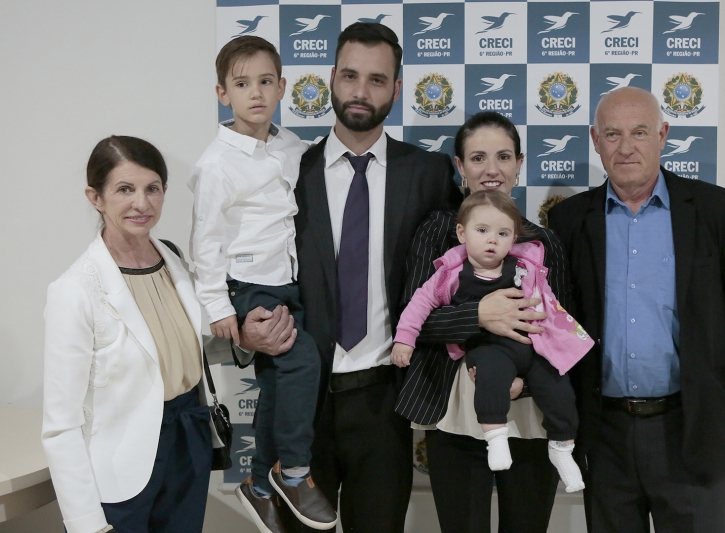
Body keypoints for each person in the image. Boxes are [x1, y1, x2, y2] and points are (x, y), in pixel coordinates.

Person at [235, 22, 461, 533]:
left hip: (385, 399)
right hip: (300, 399)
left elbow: (455, 275)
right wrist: (245, 332)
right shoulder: (287, 169)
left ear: (396, 89)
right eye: (351, 76)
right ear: (332, 77)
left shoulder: (428, 173)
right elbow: (243, 260)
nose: (361, 91)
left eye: (377, 80)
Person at [548, 86, 725, 533]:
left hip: (690, 427)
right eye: (612, 134)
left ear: (663, 135)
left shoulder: (716, 209)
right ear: (595, 140)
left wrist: (703, 346)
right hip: (604, 432)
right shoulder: (569, 220)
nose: (626, 147)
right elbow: (559, 317)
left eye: (639, 132)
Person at [394, 111, 572, 533]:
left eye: (503, 157)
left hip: (529, 413)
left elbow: (561, 331)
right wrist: (479, 315)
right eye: (478, 158)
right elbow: (415, 321)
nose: (491, 170)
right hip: (453, 410)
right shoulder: (438, 231)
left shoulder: (543, 242)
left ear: (519, 164)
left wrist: (524, 384)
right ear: (460, 166)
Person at [187, 36, 336, 532]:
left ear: (282, 87)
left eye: (266, 81)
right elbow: (205, 240)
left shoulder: (291, 146)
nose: (255, 92)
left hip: (287, 281)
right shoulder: (216, 164)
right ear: (222, 93)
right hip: (247, 284)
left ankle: (257, 483)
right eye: (242, 83)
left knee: (278, 381)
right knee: (303, 360)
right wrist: (218, 307)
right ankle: (294, 472)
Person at [42, 136, 224, 533]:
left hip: (188, 440)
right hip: (120, 467)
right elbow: (60, 423)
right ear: (95, 197)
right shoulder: (74, 290)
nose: (142, 203)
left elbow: (181, 346)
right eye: (125, 189)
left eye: (152, 188)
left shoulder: (174, 260)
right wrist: (86, 523)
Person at [391, 190, 591, 490]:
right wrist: (404, 340)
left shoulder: (525, 268)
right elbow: (419, 305)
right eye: (482, 231)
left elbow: (550, 302)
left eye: (502, 234)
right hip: (489, 348)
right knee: (491, 378)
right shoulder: (451, 274)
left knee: (559, 389)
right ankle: (496, 438)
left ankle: (561, 447)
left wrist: (557, 337)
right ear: (462, 233)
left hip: (533, 348)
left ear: (514, 239)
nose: (492, 240)